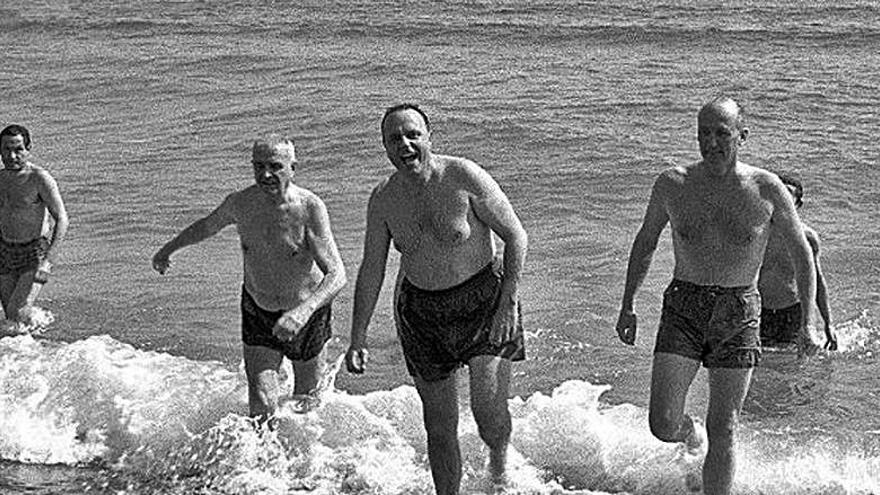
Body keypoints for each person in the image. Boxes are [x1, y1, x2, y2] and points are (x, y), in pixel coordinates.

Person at [614, 97, 818, 495]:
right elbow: (646, 241)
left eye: (721, 133)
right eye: (703, 133)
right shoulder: (672, 183)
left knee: (724, 427)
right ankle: (690, 436)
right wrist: (628, 304)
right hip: (683, 306)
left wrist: (807, 323)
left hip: (739, 310)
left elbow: (801, 253)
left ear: (742, 135)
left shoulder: (765, 188)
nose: (711, 143)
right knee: (662, 424)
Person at [345, 103, 528, 494]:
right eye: (395, 139)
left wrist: (508, 302)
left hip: (484, 302)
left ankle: (498, 462)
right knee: (439, 426)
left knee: (488, 416)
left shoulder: (462, 176)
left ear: (430, 137)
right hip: (422, 315)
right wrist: (357, 336)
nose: (405, 144)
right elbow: (372, 269)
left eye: (413, 135)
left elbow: (515, 235)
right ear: (384, 147)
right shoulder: (383, 199)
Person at [152, 135, 346, 422]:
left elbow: (337, 274)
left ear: (293, 168)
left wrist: (303, 312)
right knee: (261, 402)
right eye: (258, 166)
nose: (265, 174)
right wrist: (169, 249)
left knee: (307, 403)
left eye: (275, 166)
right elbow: (207, 226)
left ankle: (304, 464)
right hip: (259, 309)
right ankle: (260, 464)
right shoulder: (240, 203)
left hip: (306, 314)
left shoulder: (309, 208)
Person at [0, 124, 69, 332]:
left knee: (17, 312)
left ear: (28, 148)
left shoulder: (39, 178)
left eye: (18, 149)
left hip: (34, 252)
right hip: (4, 251)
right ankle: (28, 357)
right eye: (6, 149)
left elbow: (62, 219)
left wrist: (48, 260)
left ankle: (45, 327)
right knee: (11, 320)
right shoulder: (0, 179)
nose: (12, 156)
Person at [758, 173, 837, 350]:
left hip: (793, 311)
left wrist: (827, 323)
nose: (781, 199)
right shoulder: (757, 233)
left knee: (793, 369)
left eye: (787, 194)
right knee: (757, 369)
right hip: (759, 311)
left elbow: (817, 281)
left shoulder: (807, 237)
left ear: (798, 204)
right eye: (777, 194)